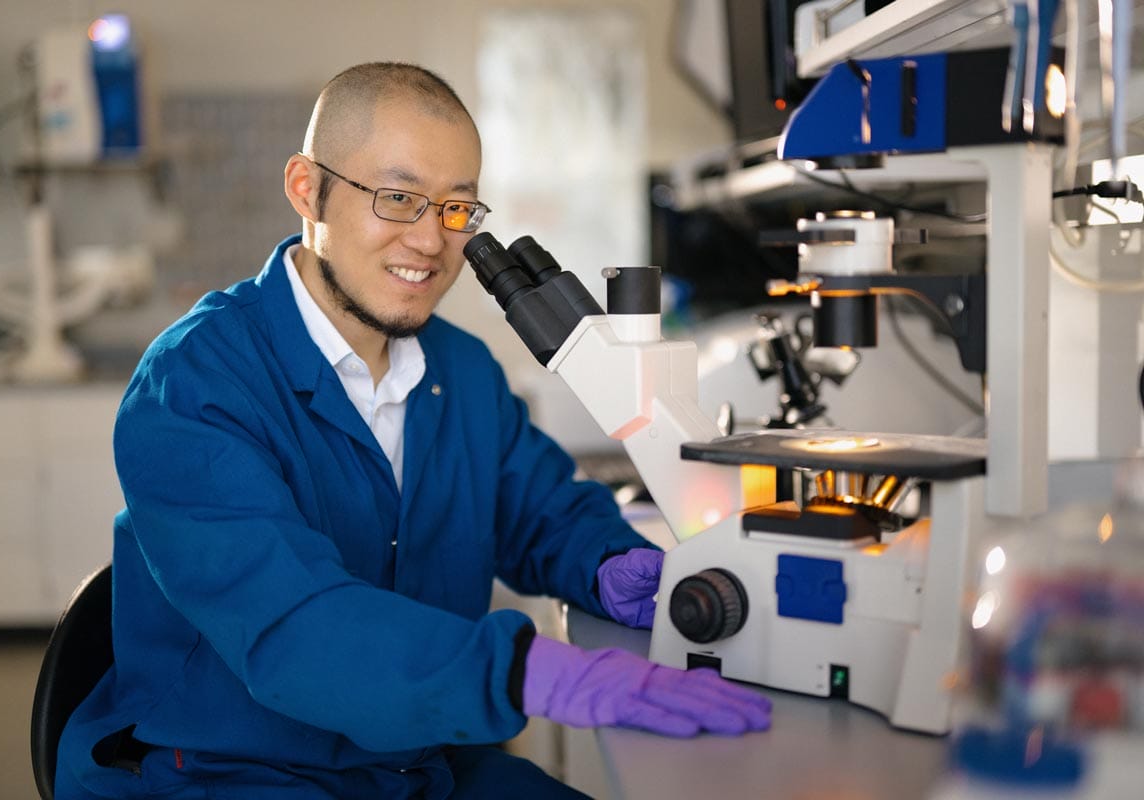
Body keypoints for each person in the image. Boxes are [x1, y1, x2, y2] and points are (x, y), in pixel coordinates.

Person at [56, 62, 771, 800]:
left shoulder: (461, 371)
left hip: (410, 768)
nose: (432, 241)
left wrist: (608, 563)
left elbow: (541, 513)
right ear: (307, 188)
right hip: (226, 771)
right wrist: (526, 670)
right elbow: (298, 630)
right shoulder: (196, 380)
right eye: (398, 198)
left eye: (457, 208)